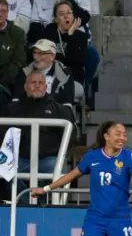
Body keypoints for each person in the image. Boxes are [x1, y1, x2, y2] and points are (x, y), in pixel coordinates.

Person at [0, 72, 76, 201]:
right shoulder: (11, 109)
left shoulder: (59, 110)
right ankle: (28, 203)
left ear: (45, 86)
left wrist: (56, 152)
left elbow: (71, 137)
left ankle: (41, 205)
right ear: (25, 86)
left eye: (40, 83)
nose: (37, 86)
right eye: (33, 83)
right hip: (20, 158)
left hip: (49, 158)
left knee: (58, 170)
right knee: (3, 166)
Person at [13, 39, 74, 106]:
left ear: (52, 56)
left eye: (41, 53)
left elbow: (67, 104)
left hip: (54, 112)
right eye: (34, 52)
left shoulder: (64, 75)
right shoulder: (25, 72)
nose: (35, 57)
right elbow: (16, 100)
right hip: (27, 111)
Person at [42, 0, 88, 84]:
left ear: (73, 16)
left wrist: (70, 35)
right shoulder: (49, 31)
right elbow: (45, 58)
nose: (66, 16)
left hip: (73, 79)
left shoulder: (81, 37)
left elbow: (76, 63)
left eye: (69, 13)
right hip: (51, 77)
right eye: (62, 14)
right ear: (55, 19)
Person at [0, 0, 26, 96]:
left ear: (7, 14)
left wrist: (3, 81)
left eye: (3, 11)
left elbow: (18, 61)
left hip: (7, 82)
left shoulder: (17, 33)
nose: (0, 14)